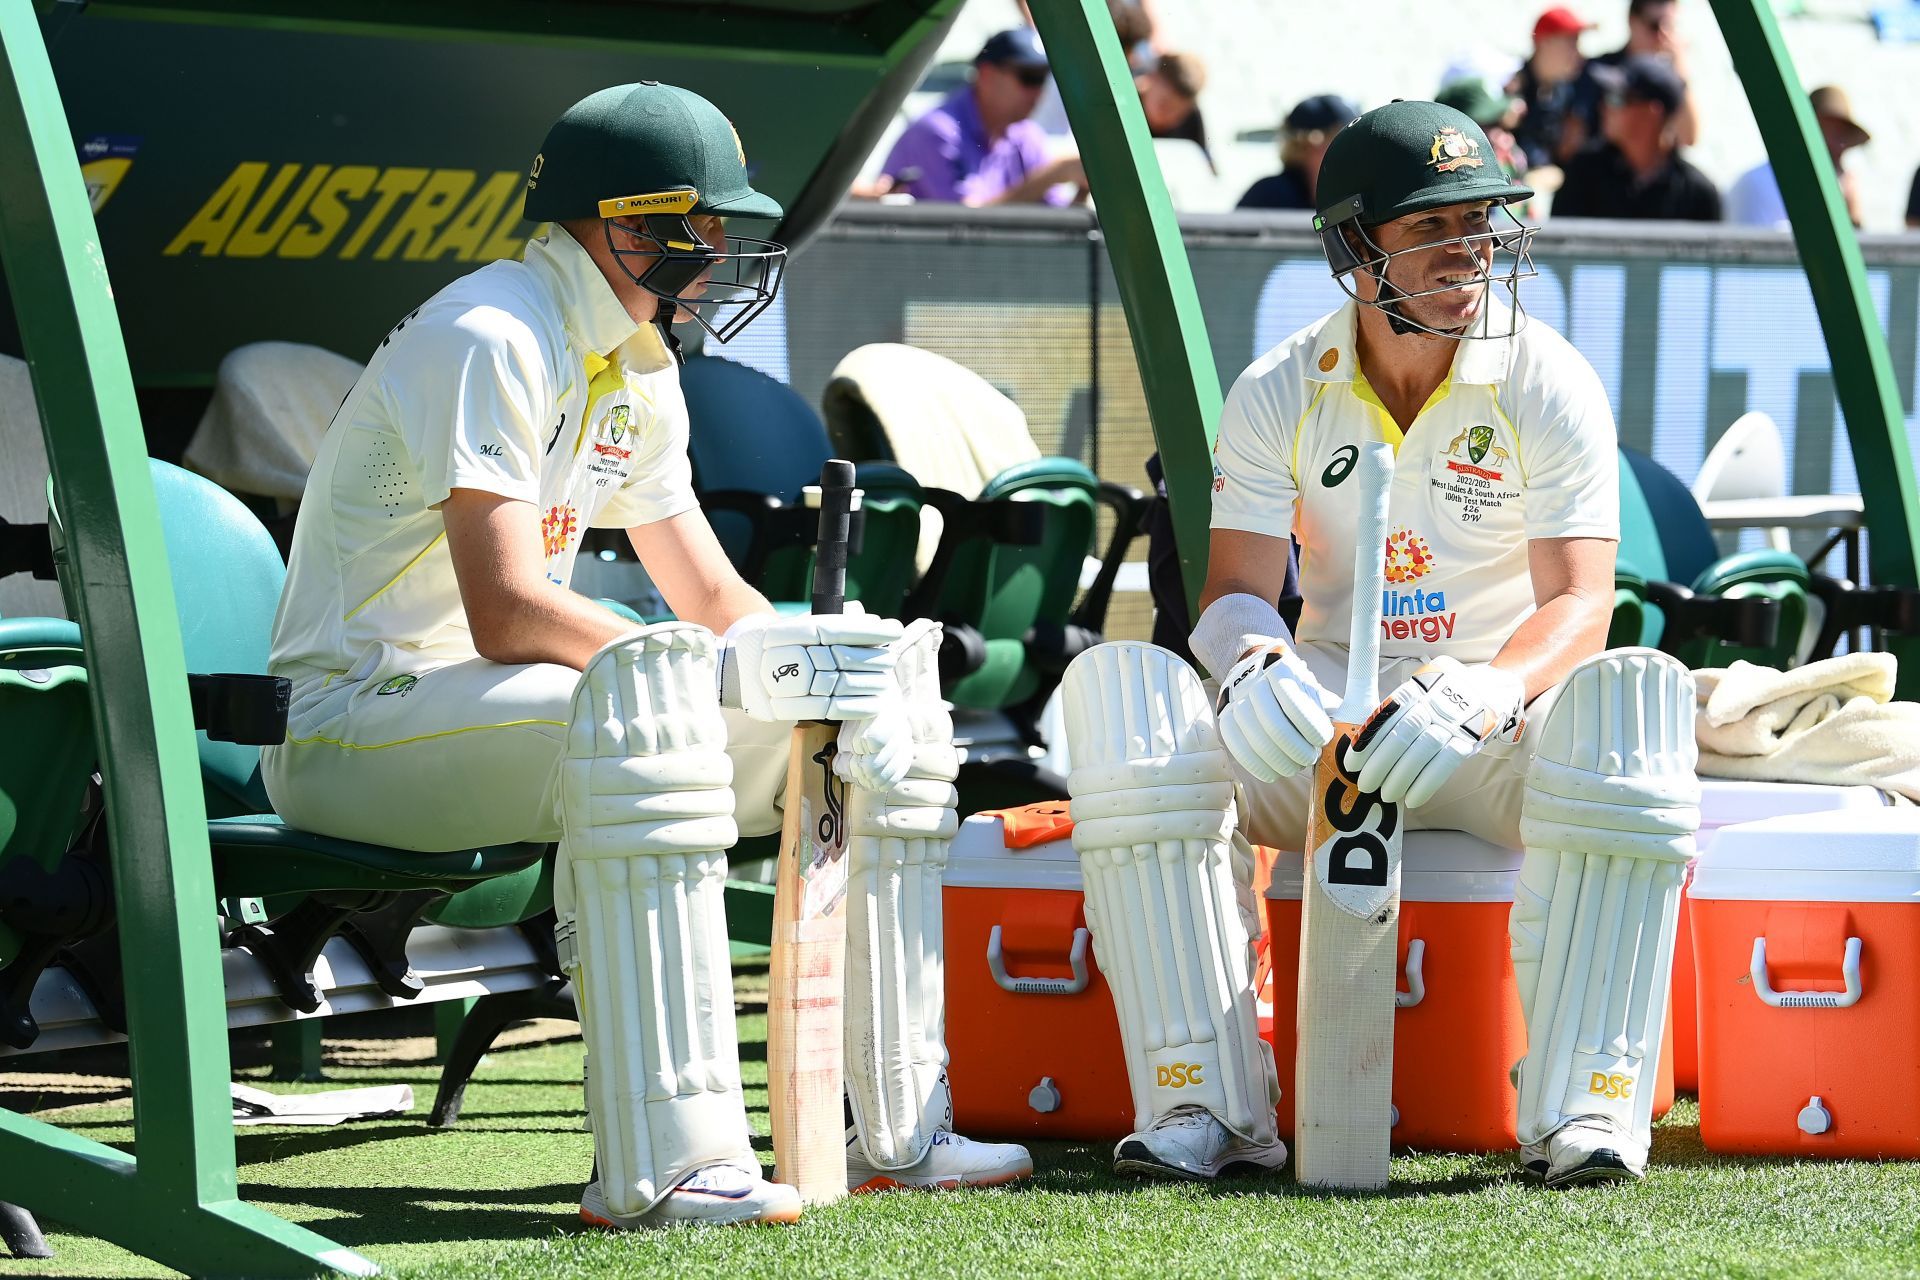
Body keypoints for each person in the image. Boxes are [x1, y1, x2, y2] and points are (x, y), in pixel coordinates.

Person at [263, 81, 1030, 1231]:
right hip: (350, 720)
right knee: (647, 722)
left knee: (892, 728)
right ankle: (670, 1164)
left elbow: (712, 594)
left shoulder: (639, 360)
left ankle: (896, 1127)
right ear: (616, 221)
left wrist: (826, 658)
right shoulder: (494, 331)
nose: (720, 249)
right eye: (700, 222)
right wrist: (703, 670)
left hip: (493, 710)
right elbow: (510, 609)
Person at [1063, 100, 1698, 1190]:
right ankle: (1205, 1101)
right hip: (1329, 730)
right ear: (1358, 247)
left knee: (1633, 707)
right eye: (1434, 226)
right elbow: (1232, 595)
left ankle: (1587, 1108)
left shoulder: (1547, 378)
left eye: (1482, 223)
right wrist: (1253, 662)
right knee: (1133, 706)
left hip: (1492, 726)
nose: (1470, 252)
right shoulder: (1278, 390)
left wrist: (1487, 690)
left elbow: (1582, 603)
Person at [877, 29, 1085, 206]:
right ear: (987, 74)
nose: (1038, 91)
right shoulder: (936, 132)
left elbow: (1058, 221)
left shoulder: (1026, 135)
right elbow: (967, 227)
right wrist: (1053, 175)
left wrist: (1084, 188)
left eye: (1043, 79)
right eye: (1029, 77)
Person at [1552, 55, 1720, 221]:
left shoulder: (1698, 194)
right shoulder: (1583, 173)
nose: (1604, 107)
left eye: (1616, 98)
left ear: (1652, 111)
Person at [1725, 85, 1870, 229]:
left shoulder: (1839, 190)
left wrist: (1851, 216)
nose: (1837, 145)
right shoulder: (1762, 182)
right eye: (1829, 132)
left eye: (1842, 137)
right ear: (1804, 129)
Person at [1590, 0, 1700, 147]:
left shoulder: (1669, 78)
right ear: (1632, 21)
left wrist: (1680, 66)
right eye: (1654, 26)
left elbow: (1689, 138)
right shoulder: (1600, 70)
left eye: (1669, 27)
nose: (1662, 36)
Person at [1511, 7, 1607, 170]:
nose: (1578, 53)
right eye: (1571, 43)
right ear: (1544, 42)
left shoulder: (1564, 92)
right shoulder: (1510, 87)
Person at [1236, 94, 1359, 211]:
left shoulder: (1349, 195)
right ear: (1309, 145)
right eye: (1343, 141)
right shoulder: (1271, 195)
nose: (1353, 154)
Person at [1136, 51, 1212, 169]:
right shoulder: (1125, 98)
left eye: (1178, 113)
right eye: (1163, 104)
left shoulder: (1193, 122)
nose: (1168, 115)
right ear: (1153, 77)